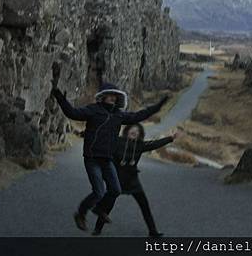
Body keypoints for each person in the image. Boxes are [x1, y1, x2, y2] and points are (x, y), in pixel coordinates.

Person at [51, 82, 169, 231]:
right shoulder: (93, 110)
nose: (113, 97)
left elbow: (139, 115)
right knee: (99, 192)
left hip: (107, 160)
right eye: (111, 95)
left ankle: (99, 209)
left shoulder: (118, 115)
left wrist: (159, 106)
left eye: (115, 96)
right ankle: (81, 214)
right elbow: (72, 113)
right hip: (92, 159)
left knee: (115, 190)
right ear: (103, 96)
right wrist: (59, 96)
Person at [92, 123, 179, 237]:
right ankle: (97, 229)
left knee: (144, 205)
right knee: (108, 205)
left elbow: (154, 144)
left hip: (132, 180)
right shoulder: (118, 141)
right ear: (127, 130)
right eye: (132, 129)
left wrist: (170, 138)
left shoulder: (140, 145)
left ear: (140, 134)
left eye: (137, 131)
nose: (134, 132)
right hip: (117, 179)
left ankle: (153, 231)